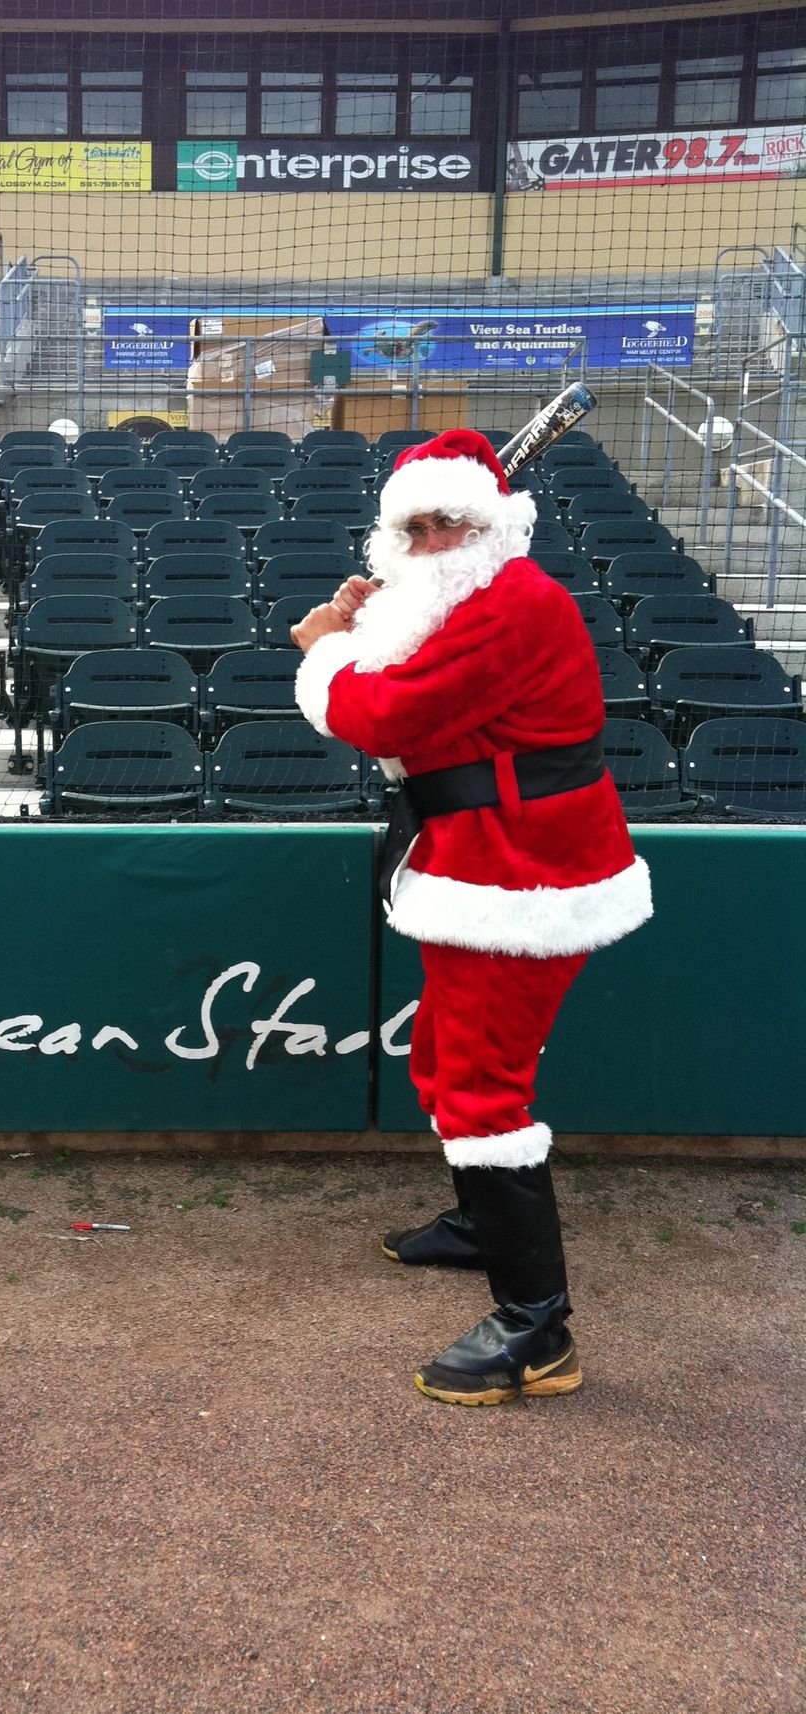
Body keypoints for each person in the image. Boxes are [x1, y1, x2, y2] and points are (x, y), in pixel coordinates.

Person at [291, 428, 653, 1407]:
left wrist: (327, 649)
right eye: (414, 525)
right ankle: (477, 1218)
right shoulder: (457, 600)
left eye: (450, 520)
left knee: (481, 1087)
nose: (433, 539)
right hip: (479, 867)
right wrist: (360, 630)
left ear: (490, 525)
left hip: (524, 883)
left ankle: (534, 1330)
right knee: (442, 1064)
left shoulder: (514, 602)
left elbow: (380, 718)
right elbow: (407, 677)